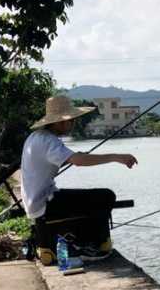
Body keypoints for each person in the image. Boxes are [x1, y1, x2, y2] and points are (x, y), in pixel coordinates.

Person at [20, 95, 137, 265]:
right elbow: (79, 161)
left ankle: (78, 243)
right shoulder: (48, 140)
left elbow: (70, 158)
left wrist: (74, 158)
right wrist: (117, 157)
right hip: (44, 204)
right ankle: (91, 247)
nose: (73, 124)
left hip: (38, 202)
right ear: (60, 122)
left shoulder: (36, 137)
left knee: (93, 196)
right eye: (71, 120)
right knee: (105, 196)